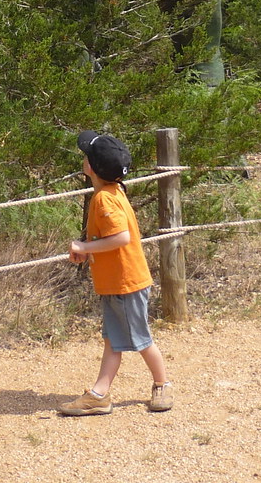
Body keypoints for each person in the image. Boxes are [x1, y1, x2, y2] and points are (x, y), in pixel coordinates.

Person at [58, 130, 174, 416]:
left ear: (91, 167)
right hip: (117, 282)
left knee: (141, 340)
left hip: (125, 283)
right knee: (113, 341)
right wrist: (88, 250)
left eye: (86, 156)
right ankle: (99, 394)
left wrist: (83, 245)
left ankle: (162, 384)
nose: (83, 159)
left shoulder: (104, 200)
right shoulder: (114, 191)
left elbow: (121, 237)